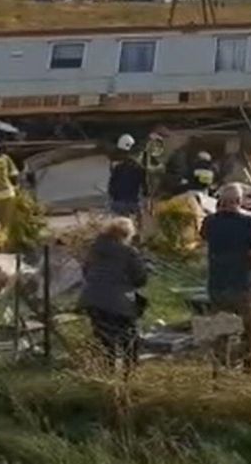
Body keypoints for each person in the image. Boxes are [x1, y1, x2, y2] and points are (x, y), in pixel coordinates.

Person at [200, 182, 251, 372]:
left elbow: (204, 238)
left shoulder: (210, 221)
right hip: (242, 281)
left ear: (221, 200)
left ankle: (220, 367)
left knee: (220, 327)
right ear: (239, 201)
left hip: (217, 281)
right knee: (248, 329)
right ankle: (249, 366)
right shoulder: (248, 221)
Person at [79, 217, 148, 371]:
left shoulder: (94, 249)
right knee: (129, 337)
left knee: (104, 338)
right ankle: (129, 371)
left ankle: (107, 370)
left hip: (93, 299)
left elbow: (86, 271)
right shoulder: (129, 252)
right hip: (118, 302)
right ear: (127, 235)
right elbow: (140, 279)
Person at [108, 134, 146, 217]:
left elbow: (111, 188)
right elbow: (145, 187)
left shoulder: (117, 167)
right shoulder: (138, 167)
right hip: (133, 203)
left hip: (118, 204)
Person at [141, 131, 167, 200]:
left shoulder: (161, 157)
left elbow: (161, 169)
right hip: (146, 189)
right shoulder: (145, 155)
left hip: (157, 189)